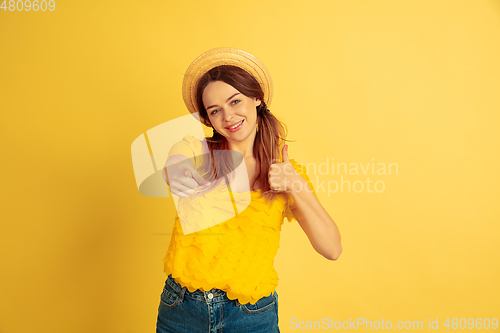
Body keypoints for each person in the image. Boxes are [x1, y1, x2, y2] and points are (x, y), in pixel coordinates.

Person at [156, 48, 342, 333]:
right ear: (208, 119)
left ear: (257, 98)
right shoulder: (197, 153)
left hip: (251, 316)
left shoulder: (286, 171)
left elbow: (331, 249)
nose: (228, 116)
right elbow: (177, 158)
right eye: (215, 110)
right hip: (182, 310)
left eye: (235, 101)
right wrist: (175, 168)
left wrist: (296, 185)